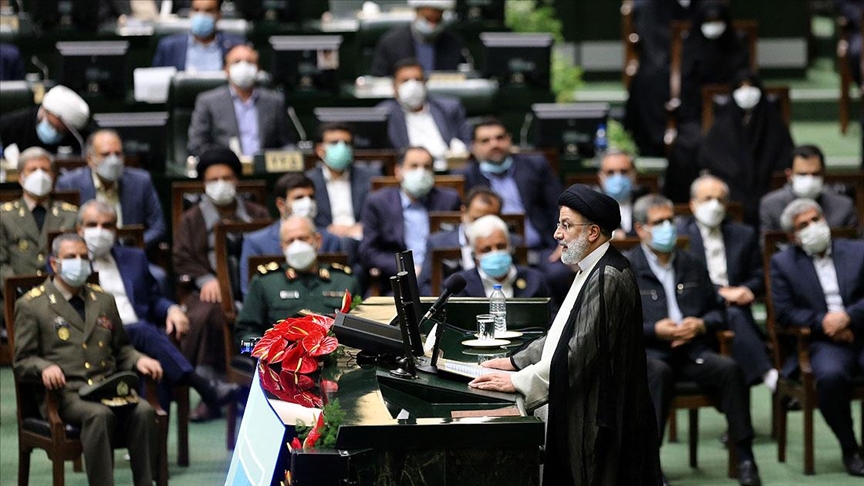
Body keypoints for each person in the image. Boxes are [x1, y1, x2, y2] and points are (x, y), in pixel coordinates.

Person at [469, 184, 661, 485]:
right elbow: (563, 332)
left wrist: (518, 382)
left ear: (593, 232)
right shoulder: (590, 268)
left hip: (603, 418)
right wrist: (516, 361)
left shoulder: (608, 276)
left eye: (566, 225)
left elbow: (577, 354)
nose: (557, 234)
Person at [625, 194, 762, 486]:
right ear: (640, 229)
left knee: (729, 370)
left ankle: (745, 457)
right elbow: (618, 322)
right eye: (658, 222)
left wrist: (700, 325)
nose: (667, 227)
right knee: (658, 374)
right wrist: (655, 330)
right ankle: (651, 465)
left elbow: (717, 312)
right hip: (651, 354)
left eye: (669, 220)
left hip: (691, 349)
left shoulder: (692, 263)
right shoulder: (627, 268)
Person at [13, 233, 162, 486]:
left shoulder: (103, 299)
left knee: (144, 411)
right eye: (71, 257)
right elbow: (22, 361)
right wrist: (45, 367)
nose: (79, 262)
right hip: (66, 394)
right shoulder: (32, 305)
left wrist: (139, 359)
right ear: (54, 264)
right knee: (99, 415)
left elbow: (122, 348)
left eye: (84, 257)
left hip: (106, 387)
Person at [77, 200, 235, 416]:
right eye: (92, 225)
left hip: (139, 340)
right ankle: (202, 385)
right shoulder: (72, 263)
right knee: (144, 330)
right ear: (80, 229)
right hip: (100, 336)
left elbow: (152, 298)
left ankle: (154, 437)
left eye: (107, 226)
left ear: (116, 230)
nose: (100, 231)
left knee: (156, 366)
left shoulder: (133, 258)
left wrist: (172, 310)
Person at [770, 198, 864, 477]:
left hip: (861, 329)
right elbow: (784, 312)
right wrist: (825, 322)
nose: (813, 227)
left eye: (816, 219)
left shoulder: (858, 251)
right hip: (823, 340)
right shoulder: (783, 263)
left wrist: (848, 317)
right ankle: (850, 448)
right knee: (830, 377)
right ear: (793, 236)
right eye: (803, 225)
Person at [172, 147, 269, 404]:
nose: (221, 184)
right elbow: (181, 257)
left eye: (226, 178)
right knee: (210, 313)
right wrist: (206, 279)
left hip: (254, 288)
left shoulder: (257, 213)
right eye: (213, 179)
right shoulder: (192, 218)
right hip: (208, 289)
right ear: (204, 184)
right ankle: (212, 387)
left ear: (236, 180)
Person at [678, 175, 777, 389]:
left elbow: (759, 274)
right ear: (693, 204)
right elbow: (684, 279)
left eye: (720, 199)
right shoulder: (680, 236)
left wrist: (746, 289)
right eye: (707, 199)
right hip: (699, 309)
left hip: (737, 306)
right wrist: (720, 292)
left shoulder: (744, 234)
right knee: (732, 314)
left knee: (733, 313)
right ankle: (766, 373)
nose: (714, 205)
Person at [459, 118, 571, 305]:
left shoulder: (535, 166)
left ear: (509, 139)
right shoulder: (466, 176)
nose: (494, 144)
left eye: (499, 138)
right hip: (492, 251)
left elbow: (558, 207)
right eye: (485, 141)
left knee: (558, 273)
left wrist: (564, 240)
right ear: (474, 147)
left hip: (538, 248)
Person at [664, 0, 750, 202]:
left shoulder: (735, 48)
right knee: (687, 146)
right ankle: (685, 201)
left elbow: (743, 81)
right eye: (709, 21)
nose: (714, 26)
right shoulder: (691, 48)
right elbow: (685, 90)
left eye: (718, 21)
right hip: (695, 115)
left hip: (730, 114)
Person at [235, 216, 361, 345]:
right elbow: (245, 332)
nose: (297, 245)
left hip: (335, 353)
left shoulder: (344, 281)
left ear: (318, 240)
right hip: (283, 355)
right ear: (282, 247)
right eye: (290, 241)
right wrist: (268, 350)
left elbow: (360, 329)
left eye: (303, 238)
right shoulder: (265, 282)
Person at [698, 71, 794, 226]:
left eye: (751, 86)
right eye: (741, 87)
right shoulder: (724, 122)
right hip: (731, 186)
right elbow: (709, 157)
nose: (746, 92)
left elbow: (784, 156)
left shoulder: (773, 122)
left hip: (767, 185)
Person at [359, 146, 461, 285]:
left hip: (440, 280)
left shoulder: (449, 200)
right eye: (414, 166)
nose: (421, 172)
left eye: (427, 167)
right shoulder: (378, 202)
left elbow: (457, 243)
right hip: (397, 282)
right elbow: (368, 252)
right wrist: (406, 269)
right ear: (398, 171)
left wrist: (428, 270)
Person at [1, 147, 78, 326]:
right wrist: (21, 291)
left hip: (63, 297)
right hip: (17, 298)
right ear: (21, 177)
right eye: (33, 169)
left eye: (45, 170)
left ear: (53, 176)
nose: (40, 175)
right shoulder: (4, 216)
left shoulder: (70, 215)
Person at [55, 129, 167, 251]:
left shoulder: (141, 181)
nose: (113, 160)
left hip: (129, 253)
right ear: (90, 159)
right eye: (105, 154)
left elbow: (158, 227)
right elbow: (63, 230)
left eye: (118, 154)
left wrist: (135, 248)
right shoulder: (69, 184)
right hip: (86, 254)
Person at [239, 172, 341, 297]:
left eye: (311, 197)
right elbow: (249, 293)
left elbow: (338, 285)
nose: (307, 203)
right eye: (299, 198)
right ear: (281, 205)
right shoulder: (256, 242)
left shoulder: (330, 240)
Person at [187, 44, 295, 157]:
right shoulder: (208, 102)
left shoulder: (274, 101)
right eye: (237, 62)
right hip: (226, 164)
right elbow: (197, 145)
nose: (243, 66)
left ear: (258, 69)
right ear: (226, 69)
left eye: (249, 62)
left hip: (263, 166)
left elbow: (287, 144)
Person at [376, 58, 471, 165]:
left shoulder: (449, 108)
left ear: (425, 83)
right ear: (394, 87)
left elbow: (469, 142)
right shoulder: (384, 114)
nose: (412, 86)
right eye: (405, 81)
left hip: (449, 169)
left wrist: (462, 150)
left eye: (417, 80)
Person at [418, 186, 505, 295]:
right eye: (477, 219)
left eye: (489, 220)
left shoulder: (512, 244)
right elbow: (425, 287)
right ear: (464, 213)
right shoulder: (438, 243)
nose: (482, 226)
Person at [304, 123, 379, 244]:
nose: (341, 147)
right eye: (334, 143)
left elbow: (378, 214)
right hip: (324, 242)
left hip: (362, 239)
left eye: (346, 143)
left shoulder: (370, 177)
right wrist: (326, 232)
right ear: (320, 150)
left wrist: (361, 227)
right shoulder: (308, 181)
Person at [760, 144, 858, 232]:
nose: (809, 179)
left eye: (815, 174)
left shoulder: (844, 207)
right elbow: (767, 244)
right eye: (802, 174)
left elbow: (856, 244)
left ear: (823, 174)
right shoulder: (771, 206)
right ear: (789, 175)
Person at [453, 215, 550, 301]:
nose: (495, 253)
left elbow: (551, 315)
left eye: (501, 247)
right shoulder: (460, 287)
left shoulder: (535, 280)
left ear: (510, 247)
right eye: (486, 250)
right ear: (474, 254)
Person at [370, 0, 466, 77]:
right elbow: (379, 79)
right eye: (428, 19)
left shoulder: (454, 43)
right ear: (417, 12)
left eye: (437, 20)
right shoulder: (391, 42)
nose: (432, 26)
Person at [151, 0, 245, 72]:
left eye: (208, 11)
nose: (201, 15)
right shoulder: (169, 47)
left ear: (219, 15)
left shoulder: (236, 46)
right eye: (196, 10)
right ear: (190, 13)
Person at [0, 84, 90, 155]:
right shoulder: (9, 125)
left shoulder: (78, 138)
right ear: (45, 110)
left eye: (61, 131)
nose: (55, 133)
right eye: (53, 125)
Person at [595, 149, 651, 238]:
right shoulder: (592, 207)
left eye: (623, 172)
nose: (618, 177)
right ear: (600, 177)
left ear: (634, 175)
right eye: (610, 172)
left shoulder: (646, 202)